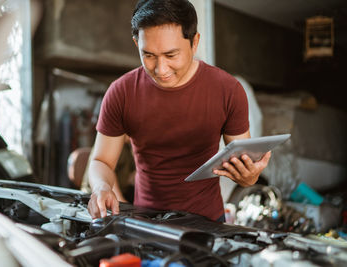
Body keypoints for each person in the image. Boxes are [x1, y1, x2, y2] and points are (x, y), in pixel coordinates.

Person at [87, 0, 271, 222]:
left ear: (194, 43)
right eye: (149, 55)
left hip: (209, 222)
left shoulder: (228, 90)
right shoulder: (121, 92)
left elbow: (243, 166)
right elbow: (102, 162)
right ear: (137, 44)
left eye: (171, 55)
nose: (160, 69)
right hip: (147, 221)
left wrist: (249, 177)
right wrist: (101, 187)